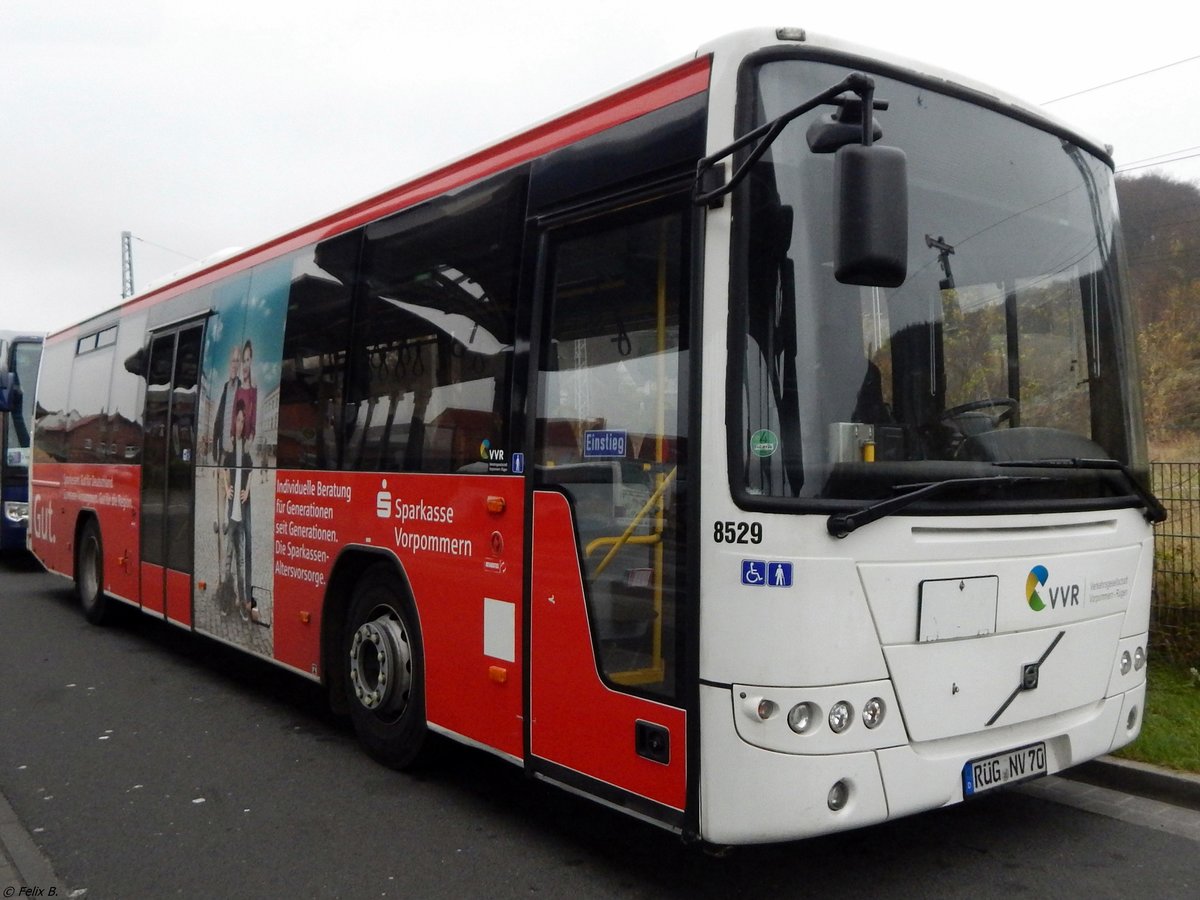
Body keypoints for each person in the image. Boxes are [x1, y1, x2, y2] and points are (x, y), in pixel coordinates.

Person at [227, 400, 254, 621]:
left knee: (242, 557)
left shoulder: (245, 449)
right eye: (238, 420)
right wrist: (227, 488)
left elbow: (252, 471)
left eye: (243, 421)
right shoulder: (231, 448)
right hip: (231, 512)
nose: (240, 423)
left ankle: (244, 601)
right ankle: (229, 596)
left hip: (242, 509)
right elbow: (224, 472)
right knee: (229, 555)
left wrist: (247, 490)